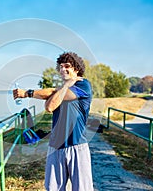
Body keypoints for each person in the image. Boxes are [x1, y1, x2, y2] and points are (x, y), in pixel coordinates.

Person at [13, 52, 93, 191]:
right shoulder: (62, 90)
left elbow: (50, 105)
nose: (62, 70)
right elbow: (52, 97)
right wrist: (28, 93)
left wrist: (66, 84)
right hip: (55, 147)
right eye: (61, 67)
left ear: (77, 68)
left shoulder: (84, 85)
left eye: (67, 66)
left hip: (76, 145)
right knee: (53, 188)